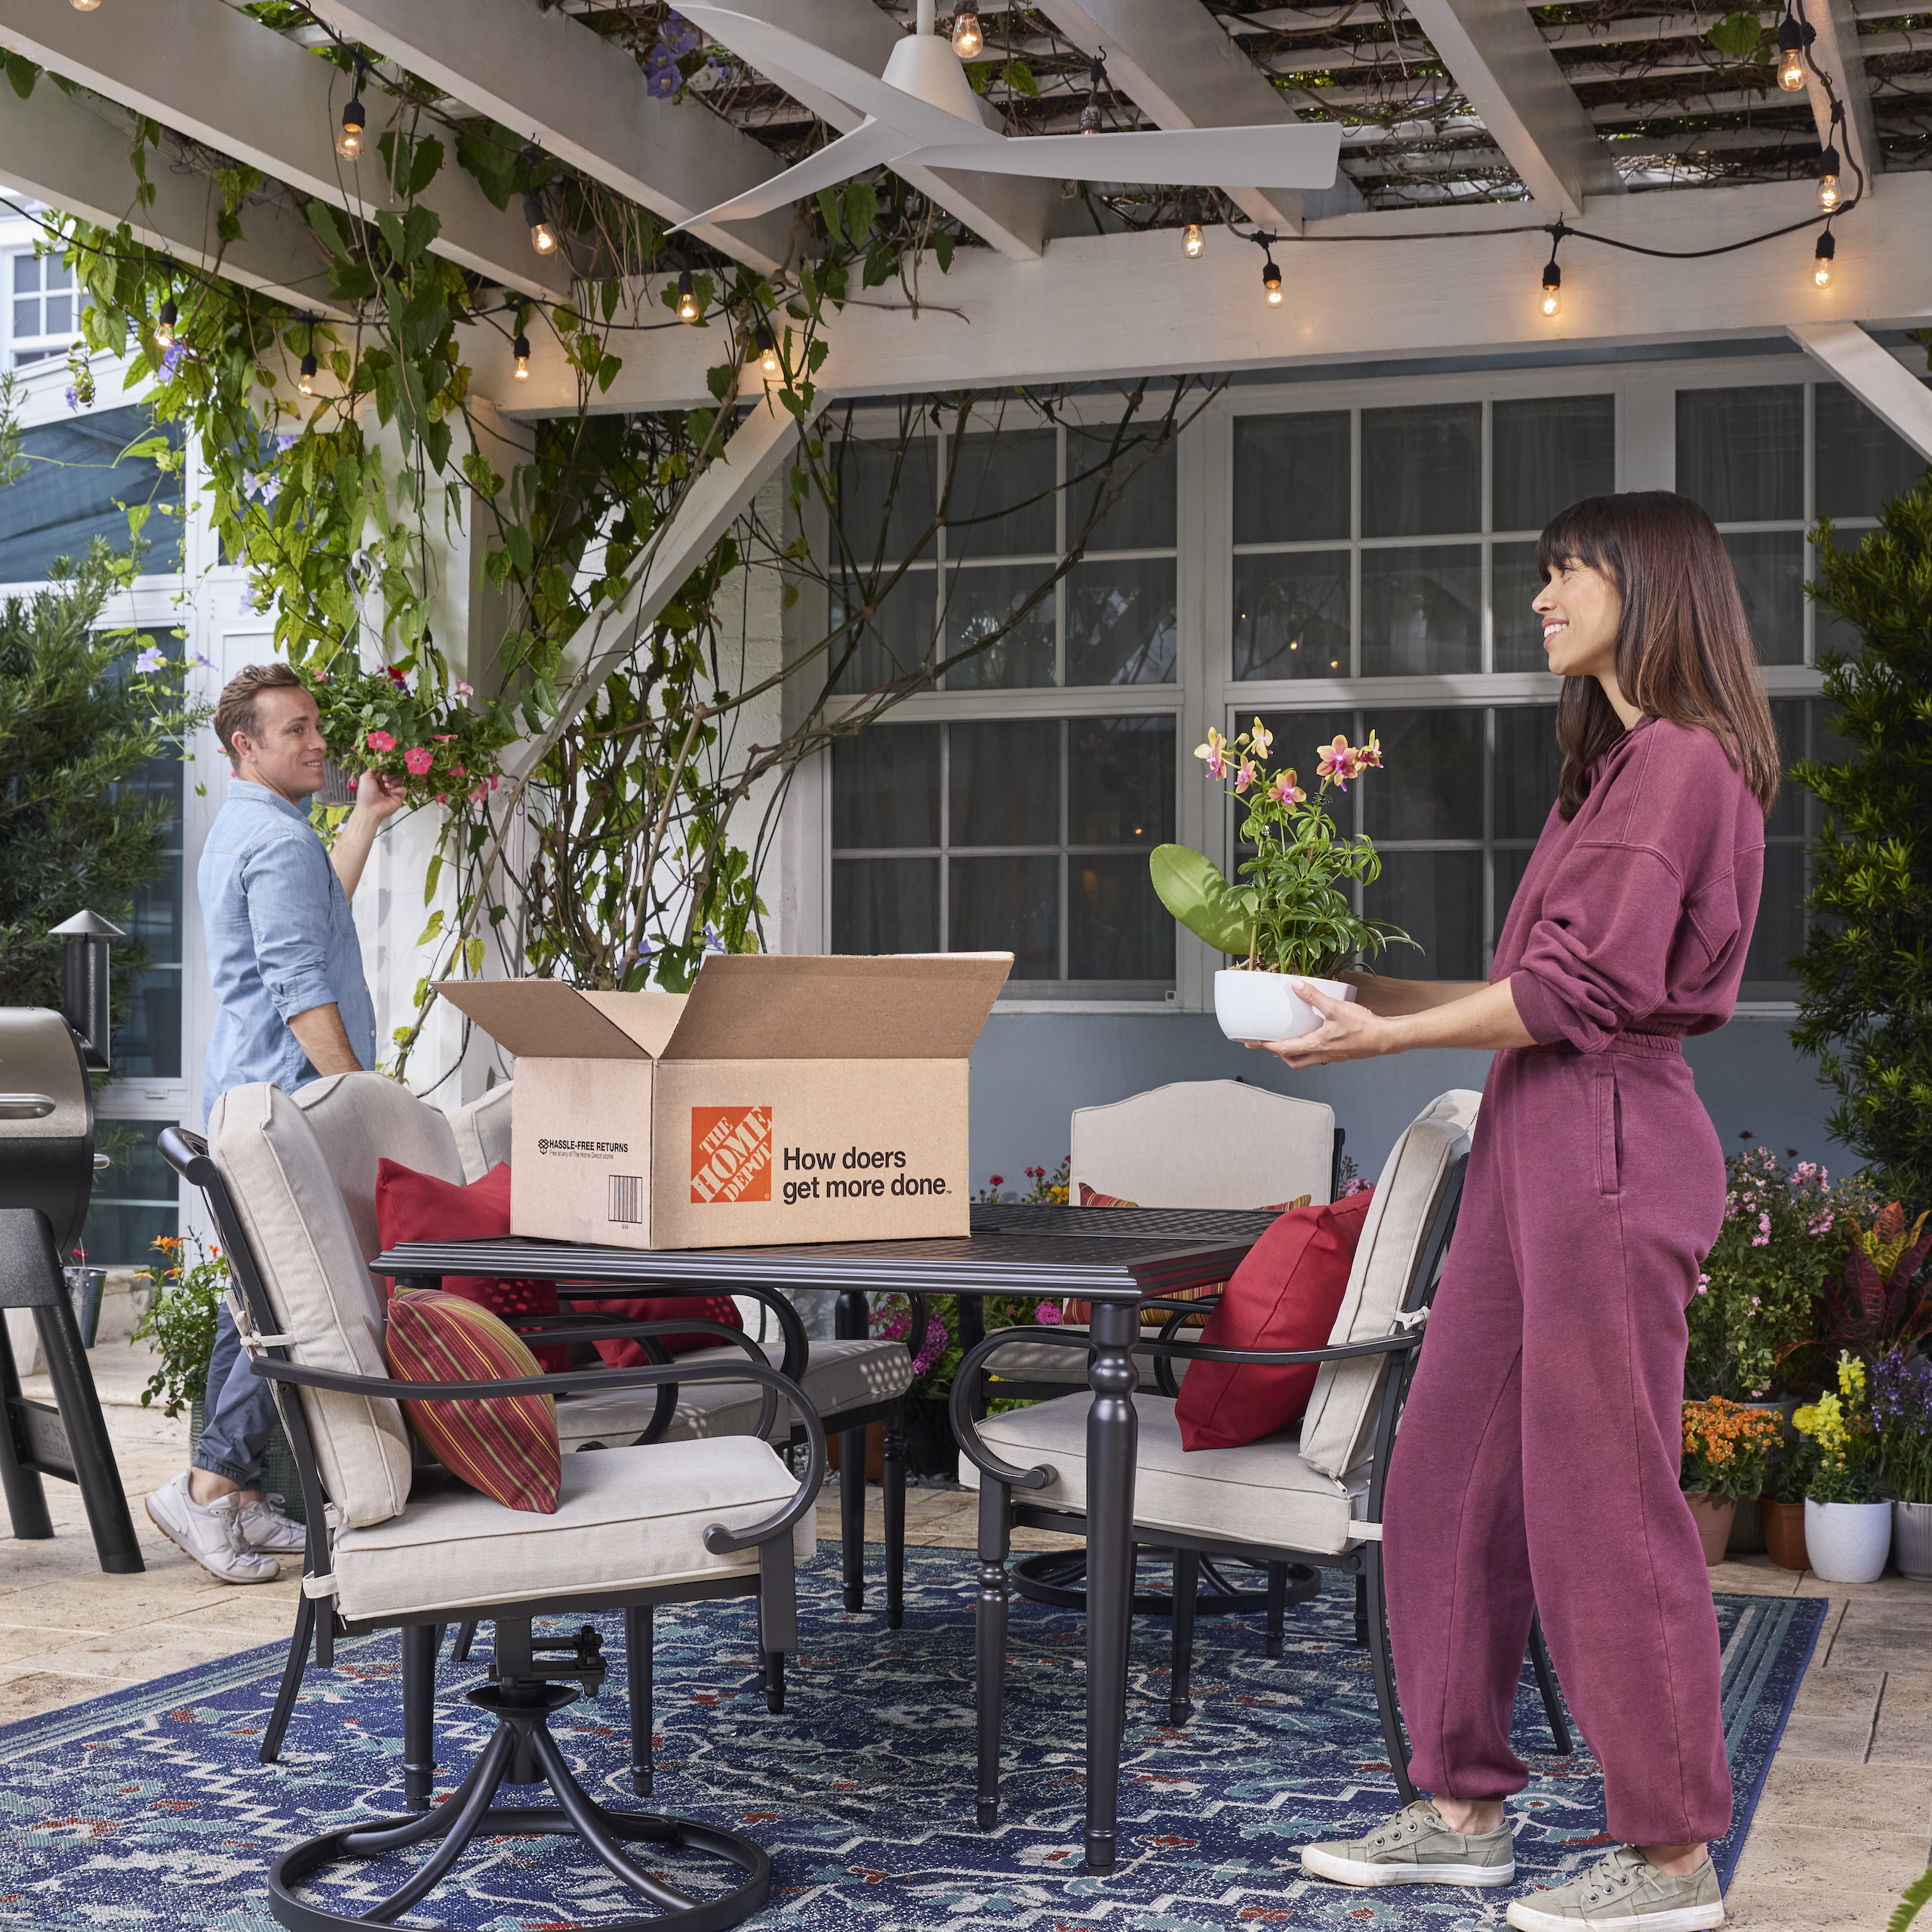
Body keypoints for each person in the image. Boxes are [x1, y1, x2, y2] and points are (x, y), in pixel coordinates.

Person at [1285, 494, 1777, 1932]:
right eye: (1545, 576)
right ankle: (1460, 1806)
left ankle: (1673, 1856)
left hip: (1611, 1141)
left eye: (1567, 574)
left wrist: (1374, 1043)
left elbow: (1583, 996)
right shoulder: (1612, 770)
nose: (1544, 599)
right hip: (1534, 1137)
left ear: (1648, 583)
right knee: (1444, 1467)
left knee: (1601, 1497)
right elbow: (1543, 983)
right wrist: (1363, 1003)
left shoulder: (1683, 764)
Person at [146, 664, 406, 1584]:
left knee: (255, 1301)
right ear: (244, 745)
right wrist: (362, 1109)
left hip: (248, 1102)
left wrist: (365, 820)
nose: (318, 742)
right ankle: (213, 1491)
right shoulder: (279, 842)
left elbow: (311, 917)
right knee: (297, 1306)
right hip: (289, 1111)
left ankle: (235, 1494)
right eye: (295, 730)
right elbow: (303, 992)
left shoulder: (253, 831)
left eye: (316, 727)